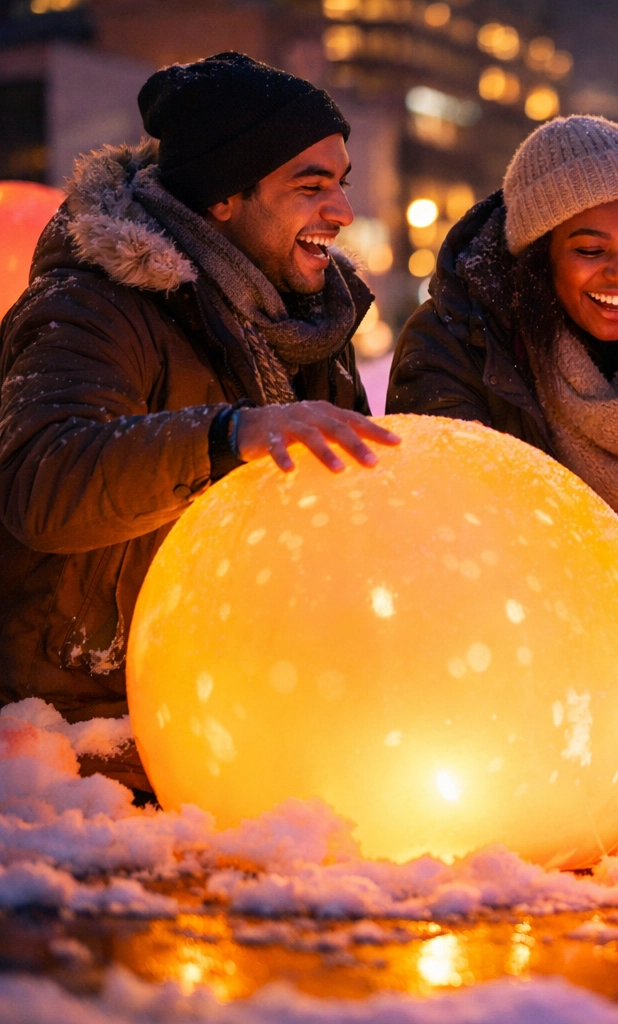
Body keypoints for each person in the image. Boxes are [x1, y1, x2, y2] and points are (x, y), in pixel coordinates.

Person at [0, 52, 398, 794]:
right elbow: (42, 481)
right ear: (222, 197)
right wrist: (228, 435)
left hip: (242, 720)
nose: (341, 211)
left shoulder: (310, 326)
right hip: (82, 741)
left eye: (341, 183)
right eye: (310, 187)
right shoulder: (90, 306)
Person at [388, 116, 618, 815]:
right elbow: (439, 532)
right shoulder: (458, 346)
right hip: (500, 697)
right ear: (538, 255)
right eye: (590, 250)